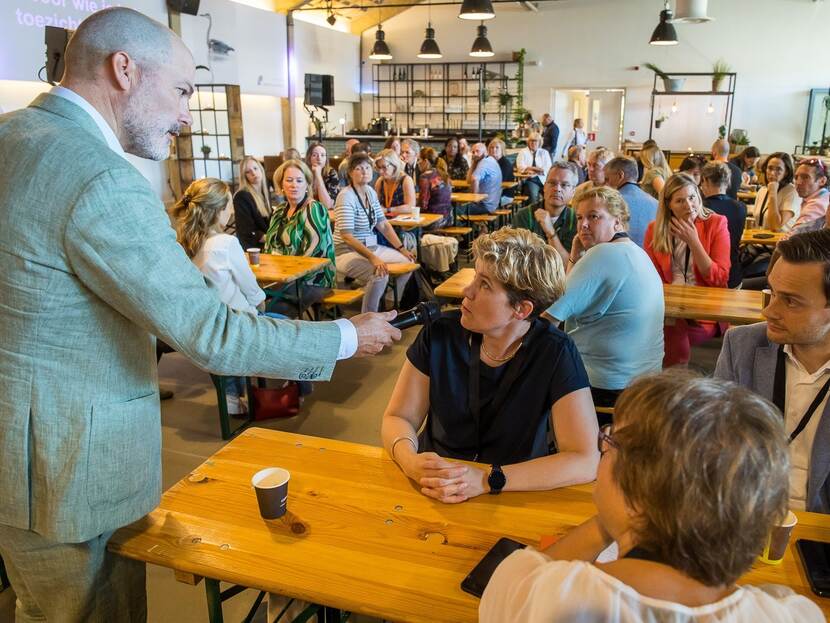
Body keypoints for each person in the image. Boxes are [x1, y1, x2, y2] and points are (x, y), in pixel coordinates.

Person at [0, 7, 400, 621]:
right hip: (67, 468)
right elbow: (210, 332)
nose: (188, 115)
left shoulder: (11, 136)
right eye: (183, 90)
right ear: (124, 69)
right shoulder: (101, 177)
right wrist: (346, 335)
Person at [480, 370, 823, 623]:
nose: (603, 448)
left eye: (612, 442)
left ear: (638, 493)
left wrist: (610, 523)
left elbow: (523, 580)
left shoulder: (547, 597)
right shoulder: (790, 616)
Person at [381, 228, 599, 503]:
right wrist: (410, 461)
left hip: (512, 490)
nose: (466, 291)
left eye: (484, 284)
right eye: (474, 277)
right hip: (434, 484)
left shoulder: (555, 351)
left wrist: (489, 479)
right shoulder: (440, 333)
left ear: (521, 309)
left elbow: (585, 459)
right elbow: (399, 417)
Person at [715, 230, 830, 513]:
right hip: (745, 517)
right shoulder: (741, 345)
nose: (769, 311)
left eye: (790, 301)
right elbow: (713, 441)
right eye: (772, 293)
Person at [546, 187, 664, 412]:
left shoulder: (603, 255)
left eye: (594, 216)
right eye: (580, 217)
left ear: (618, 222)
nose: (583, 225)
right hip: (643, 384)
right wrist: (575, 254)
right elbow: (569, 293)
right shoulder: (636, 252)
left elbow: (551, 317)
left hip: (605, 386)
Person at [175, 178, 272, 414]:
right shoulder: (225, 243)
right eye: (228, 205)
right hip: (236, 324)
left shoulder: (183, 243)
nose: (231, 210)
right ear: (218, 211)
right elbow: (252, 291)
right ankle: (288, 390)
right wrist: (262, 303)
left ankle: (231, 395)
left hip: (202, 325)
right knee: (283, 319)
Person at [645, 173, 731, 367]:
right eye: (680, 201)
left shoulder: (716, 223)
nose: (689, 205)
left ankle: (671, 382)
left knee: (673, 333)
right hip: (668, 306)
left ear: (698, 196)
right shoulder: (655, 229)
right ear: (668, 205)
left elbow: (720, 278)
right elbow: (652, 278)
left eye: (692, 197)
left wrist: (694, 242)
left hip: (704, 310)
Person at [334, 153, 416, 313]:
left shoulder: (370, 191)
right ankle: (368, 316)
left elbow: (383, 224)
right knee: (379, 273)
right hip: (344, 251)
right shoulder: (346, 196)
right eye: (358, 168)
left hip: (370, 247)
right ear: (350, 173)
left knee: (409, 263)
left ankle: (390, 303)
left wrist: (402, 249)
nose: (364, 171)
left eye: (367, 167)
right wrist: (373, 258)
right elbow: (347, 236)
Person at [264, 160, 336, 312]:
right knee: (249, 301)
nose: (294, 185)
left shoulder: (314, 209)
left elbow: (314, 255)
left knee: (271, 311)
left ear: (306, 184)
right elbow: (269, 247)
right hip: (281, 277)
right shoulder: (279, 210)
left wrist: (282, 273)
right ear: (281, 184)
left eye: (299, 180)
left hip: (313, 281)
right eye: (289, 180)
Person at [514, 162, 579, 264]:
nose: (557, 189)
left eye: (564, 185)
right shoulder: (524, 215)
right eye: (552, 183)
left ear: (573, 192)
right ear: (544, 187)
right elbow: (518, 260)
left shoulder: (576, 220)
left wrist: (550, 232)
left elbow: (567, 265)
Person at [701, 161, 746, 289]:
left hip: (709, 277)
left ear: (706, 180)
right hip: (735, 276)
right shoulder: (741, 207)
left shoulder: (701, 209)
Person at [603, 156, 658, 247]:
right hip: (650, 259)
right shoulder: (656, 203)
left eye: (607, 179)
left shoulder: (610, 203)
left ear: (620, 175)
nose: (605, 184)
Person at [751, 151, 800, 232]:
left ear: (786, 172)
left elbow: (775, 227)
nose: (772, 173)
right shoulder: (762, 190)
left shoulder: (792, 192)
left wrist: (773, 193)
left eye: (778, 169)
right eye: (770, 168)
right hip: (757, 241)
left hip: (778, 243)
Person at [234, 155, 272, 250]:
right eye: (248, 172)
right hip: (253, 249)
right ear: (244, 176)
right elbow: (248, 232)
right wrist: (274, 240)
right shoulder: (242, 196)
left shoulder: (264, 192)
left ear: (261, 169)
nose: (253, 173)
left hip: (266, 244)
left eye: (255, 168)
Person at [462, 142, 503, 216]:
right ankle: (474, 226)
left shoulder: (485, 162)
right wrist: (474, 162)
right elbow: (468, 180)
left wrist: (474, 201)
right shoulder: (487, 160)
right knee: (460, 208)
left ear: (485, 152)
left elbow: (474, 179)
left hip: (485, 205)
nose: (475, 154)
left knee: (456, 210)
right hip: (492, 204)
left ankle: (470, 226)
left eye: (477, 151)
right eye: (473, 152)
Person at [417, 147, 453, 228]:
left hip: (434, 221)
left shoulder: (425, 177)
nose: (417, 163)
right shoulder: (442, 173)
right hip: (448, 218)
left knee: (406, 229)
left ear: (425, 161)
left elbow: (423, 204)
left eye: (419, 160)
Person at [374, 149, 416, 214]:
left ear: (394, 165)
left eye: (384, 167)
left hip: (403, 222)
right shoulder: (380, 181)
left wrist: (387, 210)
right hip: (386, 221)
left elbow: (410, 207)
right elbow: (375, 205)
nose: (380, 171)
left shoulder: (406, 180)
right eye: (378, 168)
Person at [792, 158, 829, 230]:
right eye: (796, 177)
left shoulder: (817, 204)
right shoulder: (825, 196)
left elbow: (793, 237)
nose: (798, 183)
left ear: (822, 181)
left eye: (805, 177)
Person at [516, 132, 552, 204]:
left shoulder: (544, 152)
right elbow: (520, 167)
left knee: (550, 196)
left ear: (539, 142)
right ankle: (533, 213)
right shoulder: (523, 152)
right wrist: (538, 169)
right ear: (528, 142)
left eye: (536, 141)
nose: (533, 143)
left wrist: (530, 168)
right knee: (532, 196)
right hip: (530, 179)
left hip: (543, 179)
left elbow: (547, 168)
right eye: (531, 141)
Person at [305, 142, 339, 210]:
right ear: (309, 158)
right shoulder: (303, 173)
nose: (319, 158)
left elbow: (327, 205)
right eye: (315, 155)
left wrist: (318, 175)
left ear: (326, 158)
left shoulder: (332, 173)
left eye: (323, 155)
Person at [488, 137, 516, 204]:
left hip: (505, 195)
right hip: (490, 193)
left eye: (497, 147)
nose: (494, 149)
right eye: (492, 147)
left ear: (502, 150)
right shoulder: (488, 161)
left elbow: (500, 182)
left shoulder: (505, 163)